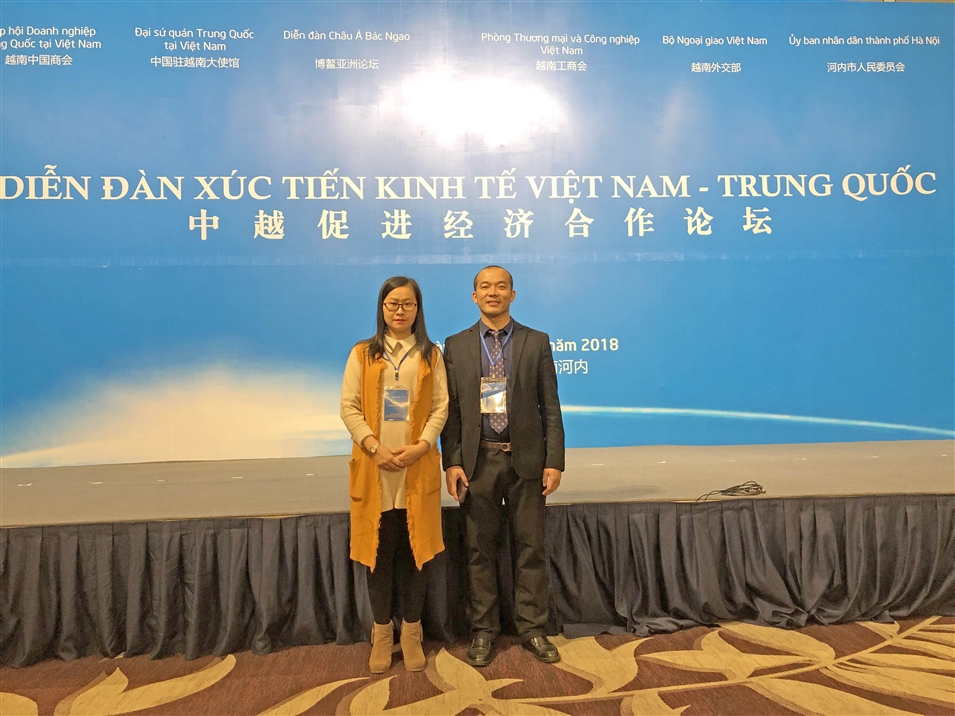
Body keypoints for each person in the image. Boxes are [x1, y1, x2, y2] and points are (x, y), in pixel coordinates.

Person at [441, 265, 565, 667]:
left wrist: (554, 460)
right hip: (479, 461)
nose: (492, 292)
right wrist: (452, 462)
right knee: (479, 550)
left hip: (527, 461)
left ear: (512, 294)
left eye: (500, 286)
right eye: (484, 287)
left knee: (531, 548)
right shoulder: (456, 345)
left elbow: (550, 406)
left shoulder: (536, 341)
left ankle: (533, 628)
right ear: (474, 296)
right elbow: (452, 412)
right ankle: (483, 630)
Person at [340, 276, 448, 674]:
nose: (399, 311)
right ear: (382, 308)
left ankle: (412, 634)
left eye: (407, 304)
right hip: (375, 469)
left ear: (418, 310)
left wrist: (422, 446)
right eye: (392, 304)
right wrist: (373, 447)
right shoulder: (362, 353)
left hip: (416, 468)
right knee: (378, 555)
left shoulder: (431, 354)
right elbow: (349, 407)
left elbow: (441, 406)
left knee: (416, 554)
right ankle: (382, 634)